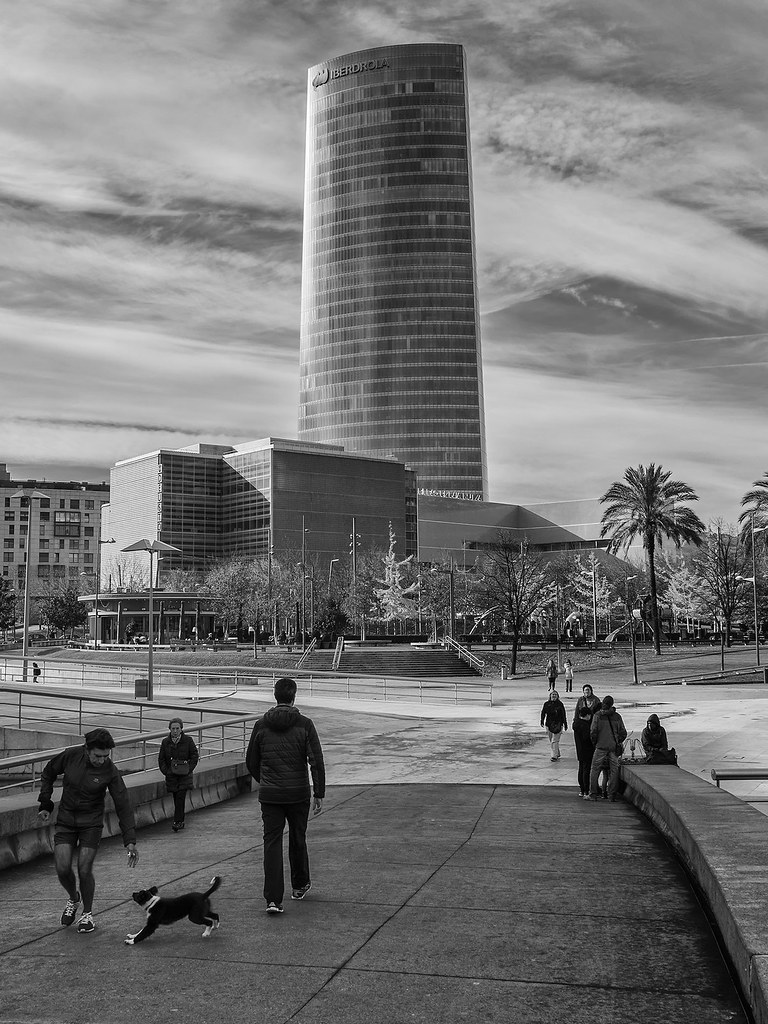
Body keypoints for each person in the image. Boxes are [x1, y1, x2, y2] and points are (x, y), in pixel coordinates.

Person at [36, 727, 138, 933]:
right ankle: (74, 899)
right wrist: (45, 803)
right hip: (66, 821)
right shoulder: (71, 756)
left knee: (84, 868)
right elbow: (48, 772)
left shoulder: (109, 770)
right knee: (62, 867)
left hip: (91, 823)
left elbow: (123, 804)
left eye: (105, 756)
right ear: (86, 749)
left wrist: (130, 840)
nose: (102, 760)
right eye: (97, 756)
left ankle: (87, 915)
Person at [246, 677, 325, 915]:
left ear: (275, 696)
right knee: (297, 838)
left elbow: (251, 761)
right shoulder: (305, 724)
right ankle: (299, 885)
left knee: (271, 844)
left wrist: (267, 781)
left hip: (270, 796)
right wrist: (318, 792)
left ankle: (273, 899)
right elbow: (316, 760)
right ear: (293, 697)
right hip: (298, 793)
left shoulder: (261, 725)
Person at [158, 717, 199, 833]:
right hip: (172, 775)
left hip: (184, 775)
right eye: (173, 729)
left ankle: (178, 821)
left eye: (177, 728)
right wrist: (166, 771)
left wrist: (188, 769)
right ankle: (179, 820)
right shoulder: (165, 742)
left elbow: (194, 756)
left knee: (180, 796)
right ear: (169, 729)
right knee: (176, 797)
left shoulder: (188, 740)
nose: (175, 731)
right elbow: (161, 759)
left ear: (181, 729)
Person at [587, 696, 627, 802]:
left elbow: (593, 732)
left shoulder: (597, 716)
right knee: (614, 771)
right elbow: (623, 733)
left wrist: (595, 743)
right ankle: (612, 795)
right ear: (612, 704)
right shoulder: (617, 716)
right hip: (613, 747)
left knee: (595, 770)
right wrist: (617, 741)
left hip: (600, 746)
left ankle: (593, 794)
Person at [572, 703, 596, 798]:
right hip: (587, 750)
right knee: (586, 770)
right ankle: (586, 790)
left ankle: (582, 790)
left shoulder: (576, 724)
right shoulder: (585, 725)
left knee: (581, 769)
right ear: (587, 715)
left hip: (580, 750)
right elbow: (587, 738)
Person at [540, 689, 568, 762]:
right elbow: (543, 713)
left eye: (555, 695)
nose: (554, 696)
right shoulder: (546, 704)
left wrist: (565, 724)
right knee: (552, 741)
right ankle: (557, 753)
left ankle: (554, 756)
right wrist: (542, 721)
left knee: (554, 741)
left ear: (558, 696)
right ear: (550, 696)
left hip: (558, 724)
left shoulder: (560, 704)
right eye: (553, 694)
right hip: (549, 724)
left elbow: (563, 715)